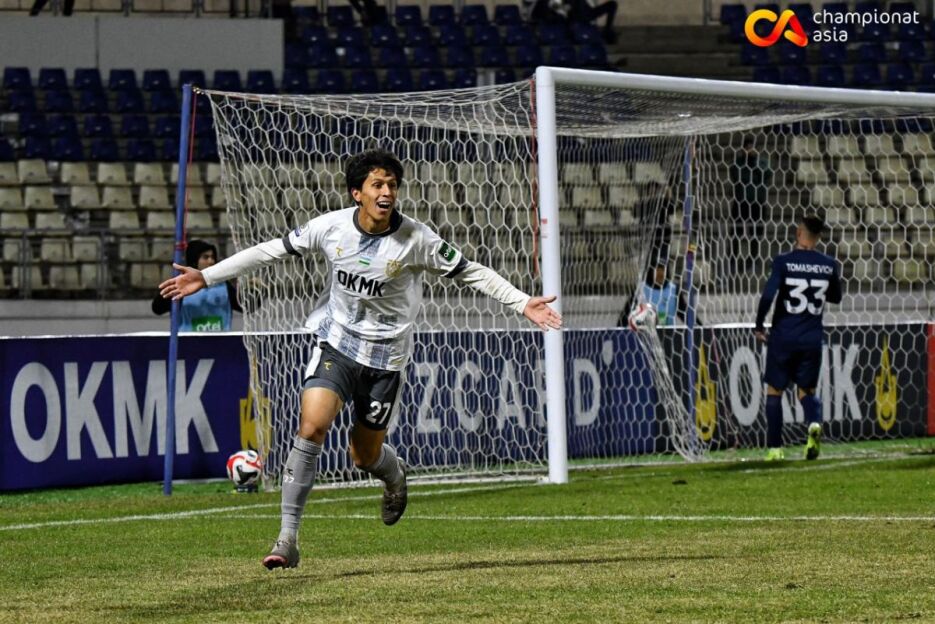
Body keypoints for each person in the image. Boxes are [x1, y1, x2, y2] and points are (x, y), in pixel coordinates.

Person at [157, 149, 562, 570]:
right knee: (312, 426)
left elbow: (471, 270)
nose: (387, 192)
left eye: (392, 185)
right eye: (377, 185)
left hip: (386, 358)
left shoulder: (416, 239)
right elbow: (269, 251)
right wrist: (207, 276)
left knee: (363, 456)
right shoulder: (330, 228)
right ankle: (287, 538)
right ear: (357, 193)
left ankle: (394, 474)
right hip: (337, 344)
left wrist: (522, 302)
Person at [754, 214, 842, 462]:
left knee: (774, 391)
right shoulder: (828, 264)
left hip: (783, 336)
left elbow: (768, 295)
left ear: (798, 233)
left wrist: (759, 325)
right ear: (818, 237)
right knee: (806, 392)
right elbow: (836, 297)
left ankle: (775, 449)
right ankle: (813, 424)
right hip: (811, 338)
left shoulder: (783, 261)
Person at [151, 239, 241, 331]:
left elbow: (245, 307)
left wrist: (249, 287)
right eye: (205, 257)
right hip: (188, 340)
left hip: (221, 340)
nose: (211, 261)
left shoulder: (224, 285)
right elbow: (157, 309)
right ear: (194, 261)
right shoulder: (182, 286)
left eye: (213, 257)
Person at [729, 137, 772, 269]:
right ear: (742, 149)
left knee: (756, 233)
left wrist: (754, 163)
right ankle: (732, 260)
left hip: (758, 204)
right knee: (736, 232)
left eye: (752, 147)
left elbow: (766, 175)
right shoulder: (737, 163)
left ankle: (753, 260)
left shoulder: (763, 162)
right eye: (747, 147)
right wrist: (748, 164)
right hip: (741, 203)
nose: (749, 150)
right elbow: (738, 177)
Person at [617, 264, 691, 328]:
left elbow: (685, 314)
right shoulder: (641, 290)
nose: (660, 273)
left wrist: (697, 328)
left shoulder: (673, 290)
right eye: (657, 270)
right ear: (651, 271)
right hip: (645, 336)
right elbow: (625, 315)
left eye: (663, 269)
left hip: (669, 336)